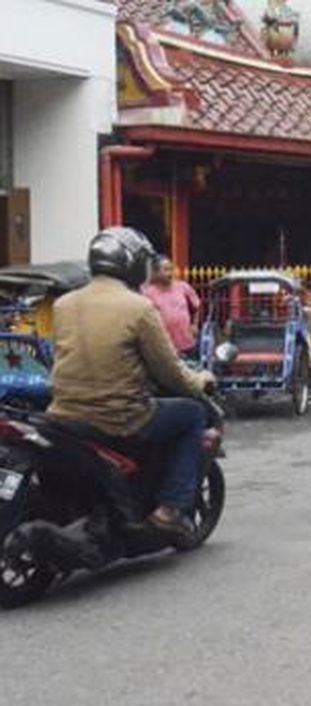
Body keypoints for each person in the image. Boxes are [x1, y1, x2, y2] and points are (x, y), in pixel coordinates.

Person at [48, 227, 215, 540]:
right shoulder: (138, 307)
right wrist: (201, 380)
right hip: (119, 419)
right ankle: (169, 510)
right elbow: (170, 373)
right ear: (133, 264)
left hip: (63, 416)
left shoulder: (63, 304)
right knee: (192, 414)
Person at [141, 254, 201, 356]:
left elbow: (197, 306)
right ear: (155, 272)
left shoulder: (183, 287)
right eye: (165, 269)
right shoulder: (147, 292)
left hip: (187, 343)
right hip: (163, 346)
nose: (170, 273)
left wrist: (195, 325)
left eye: (171, 269)